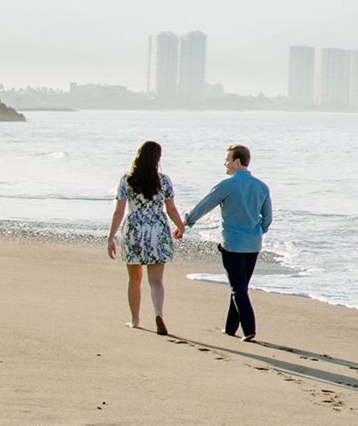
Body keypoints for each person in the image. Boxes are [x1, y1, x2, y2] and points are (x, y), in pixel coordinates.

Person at [180, 143, 273, 341]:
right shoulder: (262, 186)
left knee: (237, 288)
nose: (225, 163)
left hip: (233, 244)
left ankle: (249, 329)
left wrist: (187, 222)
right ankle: (230, 328)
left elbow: (205, 205)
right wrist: (256, 232)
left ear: (237, 161)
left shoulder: (227, 185)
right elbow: (267, 220)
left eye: (227, 159)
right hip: (254, 244)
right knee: (240, 286)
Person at [107, 140, 186, 335]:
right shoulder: (164, 180)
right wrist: (181, 227)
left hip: (134, 230)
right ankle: (159, 314)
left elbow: (119, 212)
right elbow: (171, 209)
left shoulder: (127, 180)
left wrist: (111, 237)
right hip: (157, 230)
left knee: (134, 279)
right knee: (156, 281)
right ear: (157, 159)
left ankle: (135, 320)